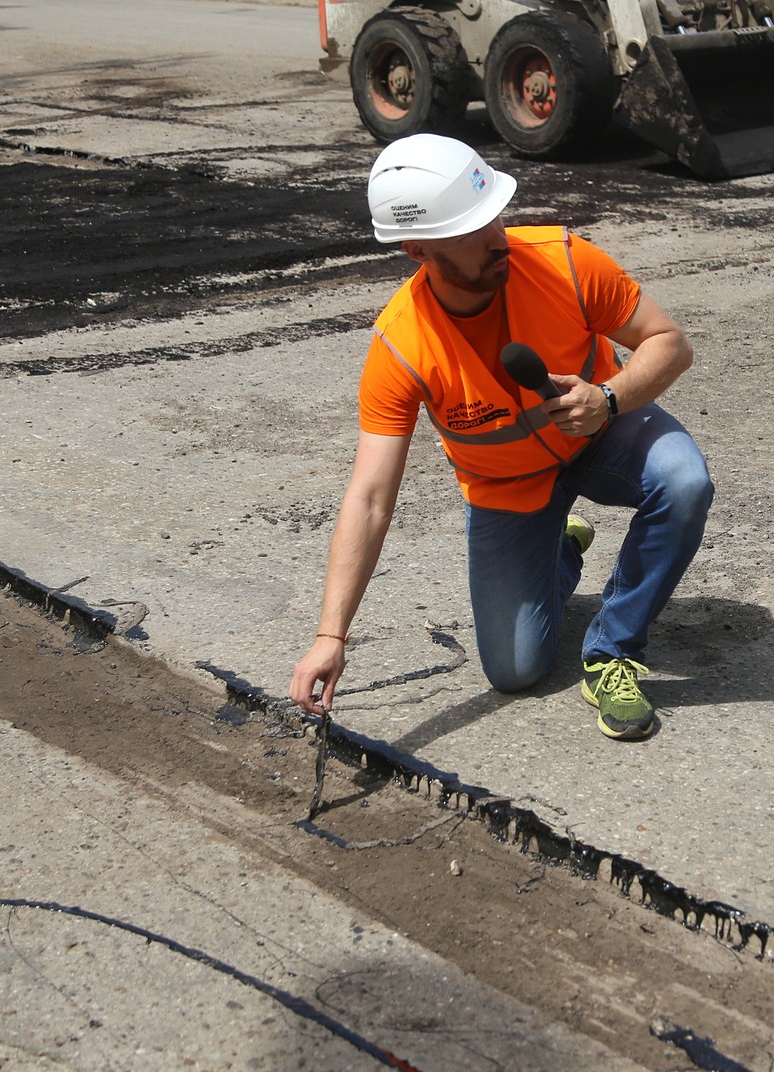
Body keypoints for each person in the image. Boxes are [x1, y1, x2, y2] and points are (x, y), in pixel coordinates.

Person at [288, 134, 713, 740]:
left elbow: (670, 343)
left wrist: (609, 398)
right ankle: (558, 547)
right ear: (416, 248)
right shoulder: (401, 346)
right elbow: (371, 497)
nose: (497, 240)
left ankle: (612, 652)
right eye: (469, 230)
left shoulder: (562, 259)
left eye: (494, 216)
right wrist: (330, 636)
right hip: (509, 487)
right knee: (515, 670)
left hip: (602, 431)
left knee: (683, 479)